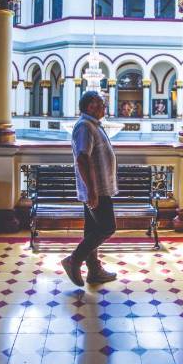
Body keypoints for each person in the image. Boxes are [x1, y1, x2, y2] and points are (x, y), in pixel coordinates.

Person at [61, 91, 118, 286]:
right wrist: (92, 190)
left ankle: (94, 271)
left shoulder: (92, 125)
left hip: (99, 188)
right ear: (90, 106)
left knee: (92, 228)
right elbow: (83, 158)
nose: (105, 107)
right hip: (96, 190)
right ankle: (73, 260)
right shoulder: (85, 126)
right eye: (101, 104)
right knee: (107, 227)